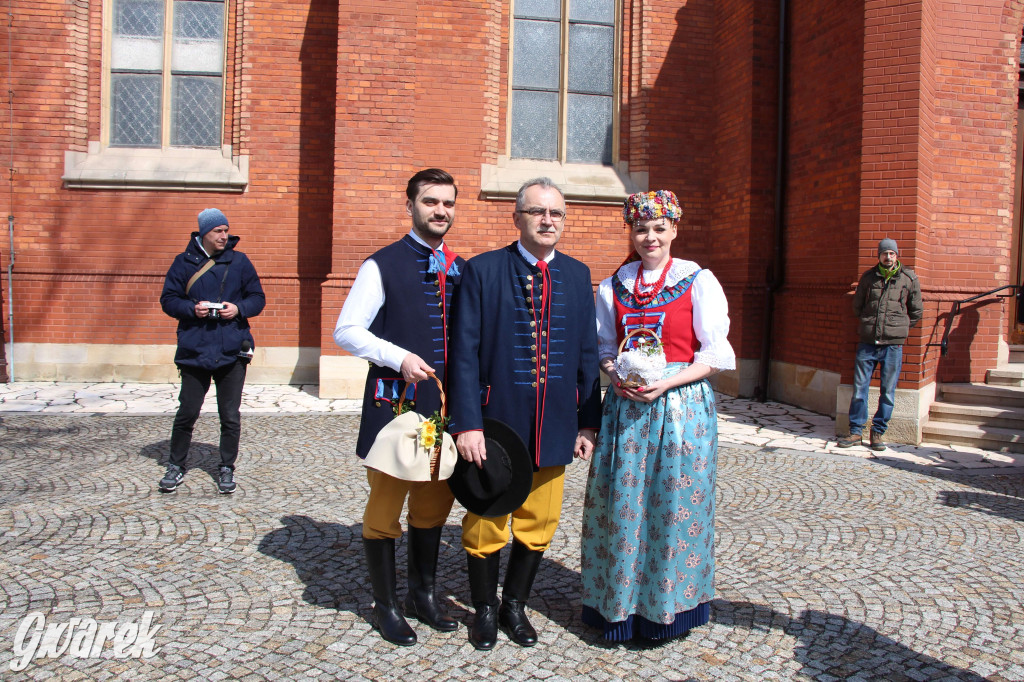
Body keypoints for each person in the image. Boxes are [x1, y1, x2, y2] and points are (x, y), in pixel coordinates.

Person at [448, 177, 603, 650]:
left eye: (555, 213)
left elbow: (586, 353)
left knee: (540, 520)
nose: (547, 220)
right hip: (497, 420)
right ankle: (485, 610)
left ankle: (514, 604)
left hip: (556, 422)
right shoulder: (483, 270)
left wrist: (587, 421)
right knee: (487, 518)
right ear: (517, 218)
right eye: (537, 212)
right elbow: (464, 353)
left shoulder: (578, 275)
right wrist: (467, 422)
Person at [580, 190, 736, 643]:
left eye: (658, 228)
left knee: (674, 506)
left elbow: (717, 353)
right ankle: (618, 608)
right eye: (641, 228)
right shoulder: (615, 286)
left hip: (681, 405)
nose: (650, 236)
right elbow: (604, 349)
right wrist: (617, 375)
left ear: (674, 230)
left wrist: (667, 382)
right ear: (632, 232)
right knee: (621, 504)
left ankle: (666, 609)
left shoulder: (697, 280)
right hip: (627, 407)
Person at [333, 168, 466, 646]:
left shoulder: (460, 267)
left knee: (432, 507)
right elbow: (347, 330)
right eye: (431, 201)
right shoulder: (381, 264)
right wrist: (399, 356)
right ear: (409, 204)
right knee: (386, 507)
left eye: (448, 203)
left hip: (444, 406)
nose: (440, 211)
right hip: (395, 405)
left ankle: (422, 596)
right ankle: (386, 606)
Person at [159, 208, 266, 495]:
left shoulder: (240, 262)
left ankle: (226, 466)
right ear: (203, 233)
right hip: (195, 349)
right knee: (187, 412)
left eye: (226, 230)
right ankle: (176, 464)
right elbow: (168, 300)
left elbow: (258, 298)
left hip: (232, 350)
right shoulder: (183, 263)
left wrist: (239, 308)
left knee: (230, 415)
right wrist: (191, 309)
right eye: (218, 230)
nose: (224, 235)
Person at [837, 238, 922, 451]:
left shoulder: (908, 278)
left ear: (897, 255)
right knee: (859, 389)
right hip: (867, 342)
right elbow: (857, 307)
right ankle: (856, 431)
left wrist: (899, 328)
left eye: (892, 253)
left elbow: (916, 311)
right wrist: (869, 323)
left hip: (893, 345)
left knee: (888, 391)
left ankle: (878, 432)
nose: (888, 256)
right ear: (879, 255)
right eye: (885, 253)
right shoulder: (868, 277)